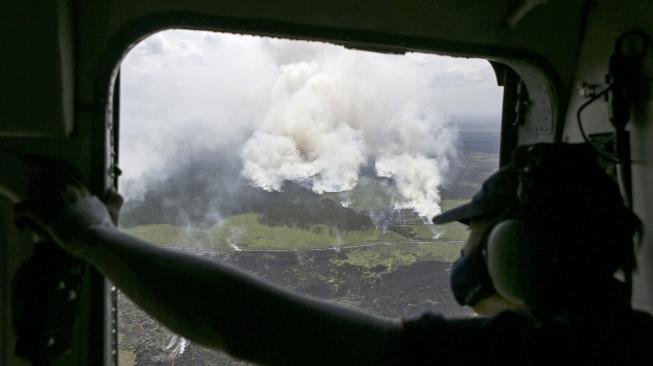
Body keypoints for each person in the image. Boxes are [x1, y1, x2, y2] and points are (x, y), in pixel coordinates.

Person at [14, 143, 653, 365]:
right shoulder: (627, 342)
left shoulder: (531, 359)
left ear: (525, 253)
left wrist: (91, 236)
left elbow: (252, 329)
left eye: (477, 234)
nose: (467, 254)